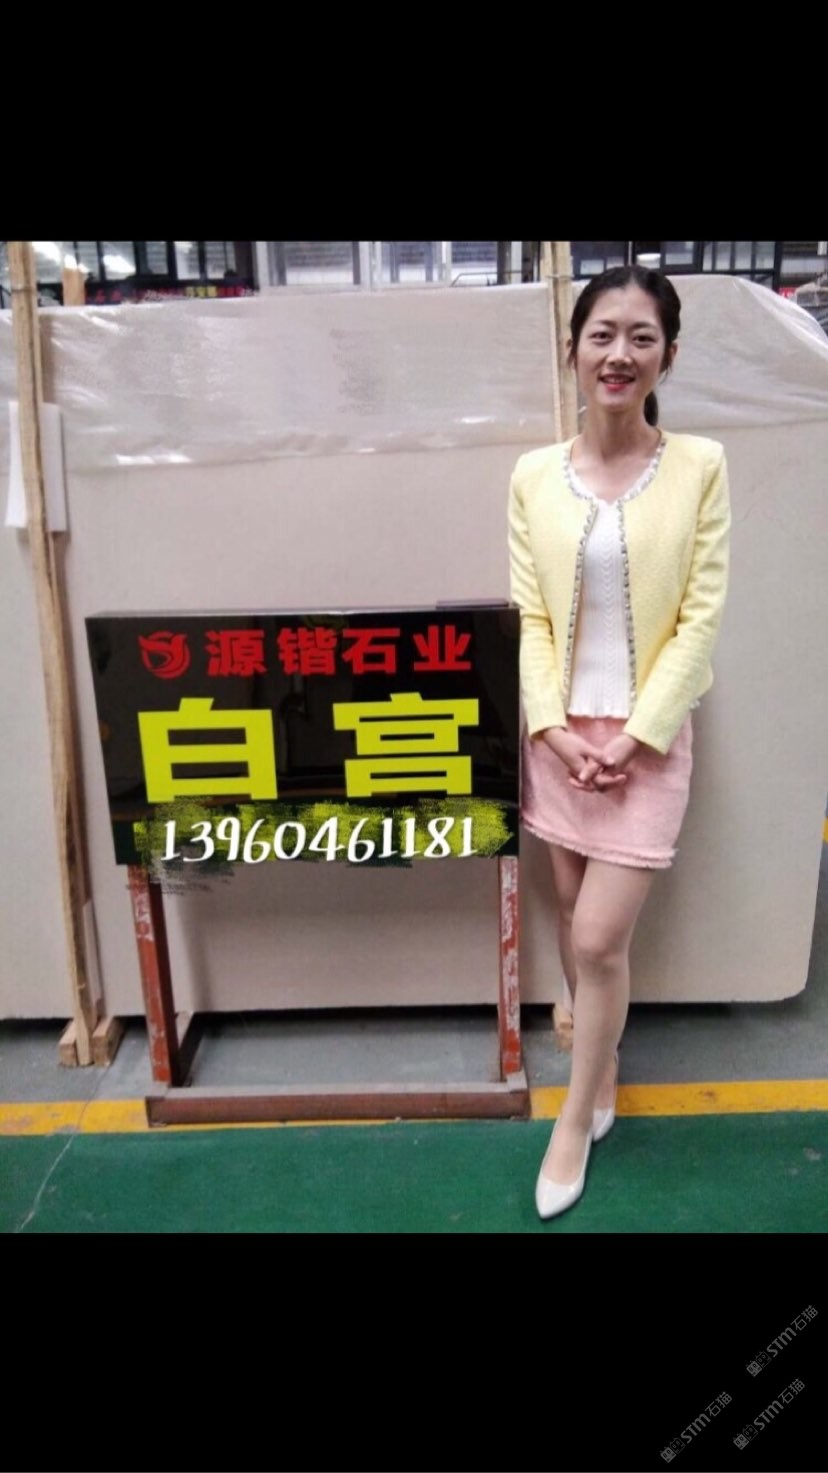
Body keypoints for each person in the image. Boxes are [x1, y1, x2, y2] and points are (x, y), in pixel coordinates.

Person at [507, 265, 731, 1220]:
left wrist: (637, 738)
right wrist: (553, 732)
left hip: (649, 740)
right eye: (602, 334)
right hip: (560, 739)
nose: (619, 353)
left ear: (667, 356)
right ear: (574, 349)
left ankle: (574, 1117)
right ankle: (601, 1066)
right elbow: (531, 616)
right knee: (574, 923)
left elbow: (701, 617)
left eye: (642, 336)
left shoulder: (701, 465)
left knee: (600, 936)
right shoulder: (532, 475)